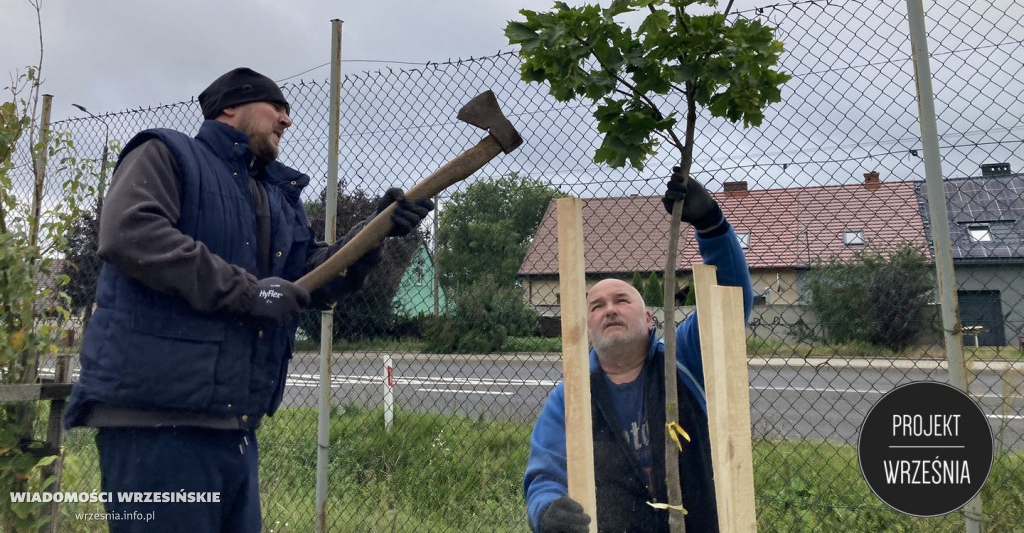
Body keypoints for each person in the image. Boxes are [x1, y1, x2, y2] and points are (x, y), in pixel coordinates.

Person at [65, 67, 433, 533]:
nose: (287, 120)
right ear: (229, 107)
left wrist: (375, 232)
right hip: (156, 424)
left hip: (234, 427)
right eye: (276, 107)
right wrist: (250, 291)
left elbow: (307, 279)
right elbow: (131, 234)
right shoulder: (165, 153)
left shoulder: (276, 196)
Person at [523, 170, 754, 533]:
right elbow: (546, 473)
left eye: (621, 300)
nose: (609, 309)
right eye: (596, 306)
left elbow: (729, 302)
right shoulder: (571, 397)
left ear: (649, 318)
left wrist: (712, 225)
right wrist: (548, 511)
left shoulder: (683, 359)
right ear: (587, 328)